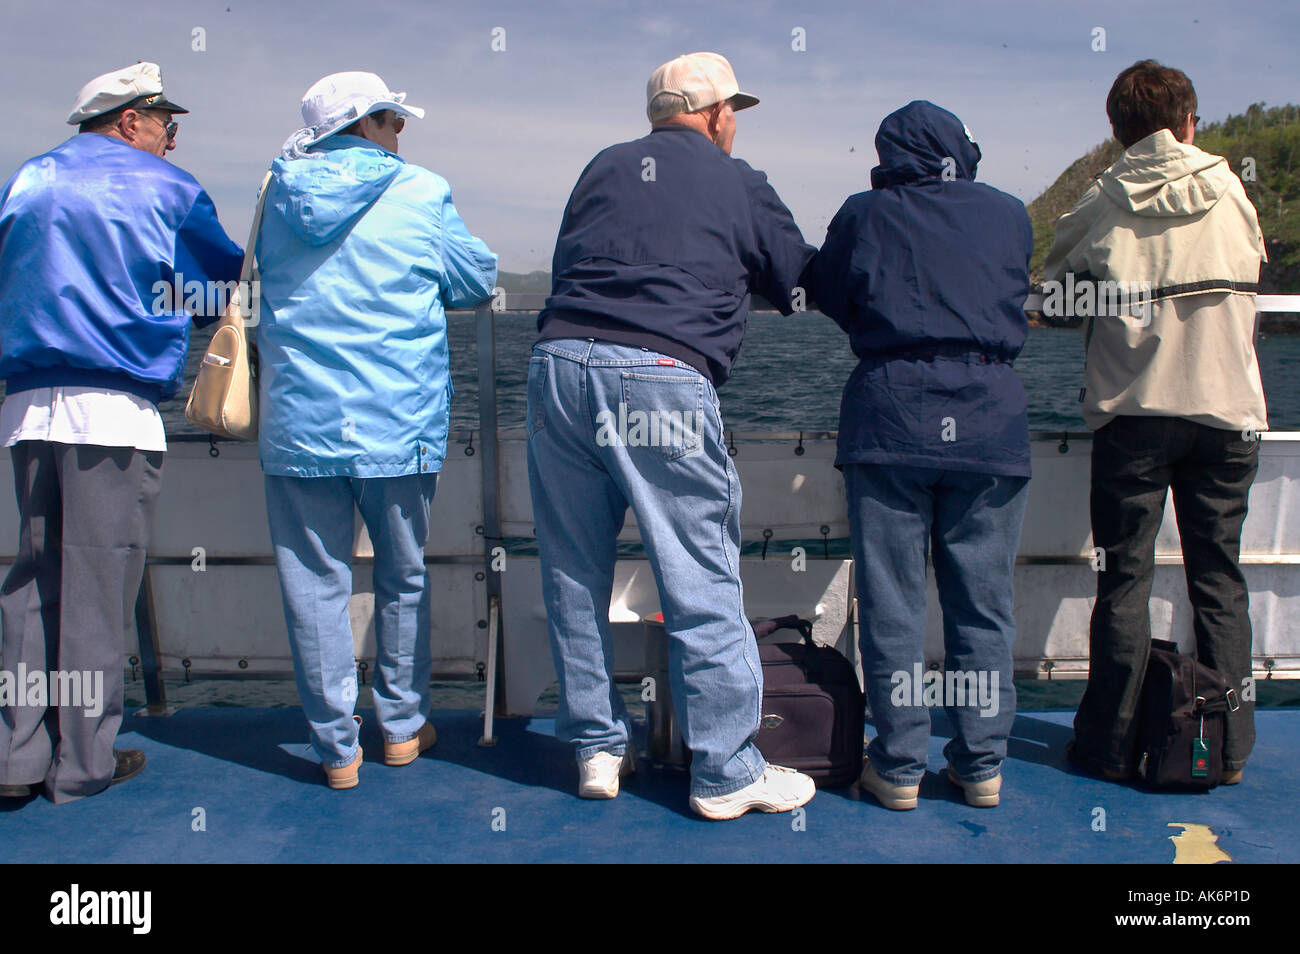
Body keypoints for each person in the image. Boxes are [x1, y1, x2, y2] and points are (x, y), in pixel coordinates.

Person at [528, 52, 816, 819]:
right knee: (700, 572)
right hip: (657, 376)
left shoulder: (603, 167)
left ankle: (595, 747)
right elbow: (795, 278)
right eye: (735, 113)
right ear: (717, 113)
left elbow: (574, 267)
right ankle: (725, 770)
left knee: (571, 567)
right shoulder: (738, 179)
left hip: (558, 365)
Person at [0, 63, 243, 803]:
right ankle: (82, 766)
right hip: (112, 411)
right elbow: (218, 287)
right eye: (168, 123)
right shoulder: (168, 190)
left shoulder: (26, 179)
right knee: (97, 592)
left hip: (26, 408)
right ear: (129, 119)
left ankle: (14, 757)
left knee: (31, 584)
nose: (173, 138)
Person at [256, 72, 497, 789]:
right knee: (403, 575)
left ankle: (336, 751)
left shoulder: (276, 193)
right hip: (398, 418)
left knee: (314, 587)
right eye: (394, 120)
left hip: (300, 423)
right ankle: (400, 727)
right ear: (365, 124)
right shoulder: (420, 191)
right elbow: (476, 280)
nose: (402, 134)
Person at [1044, 60, 1267, 783]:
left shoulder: (1104, 200)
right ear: (1190, 121)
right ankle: (1229, 750)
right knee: (1219, 580)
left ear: (1117, 132)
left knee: (1125, 582)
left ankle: (1107, 746)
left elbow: (1053, 288)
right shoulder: (1232, 189)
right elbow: (1253, 268)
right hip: (1228, 411)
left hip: (1136, 414)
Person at [807, 101, 1033, 810]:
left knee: (893, 603)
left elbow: (828, 291)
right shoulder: (1010, 213)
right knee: (983, 605)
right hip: (990, 420)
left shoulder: (863, 213)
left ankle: (899, 766)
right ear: (960, 151)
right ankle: (981, 764)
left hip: (892, 414)